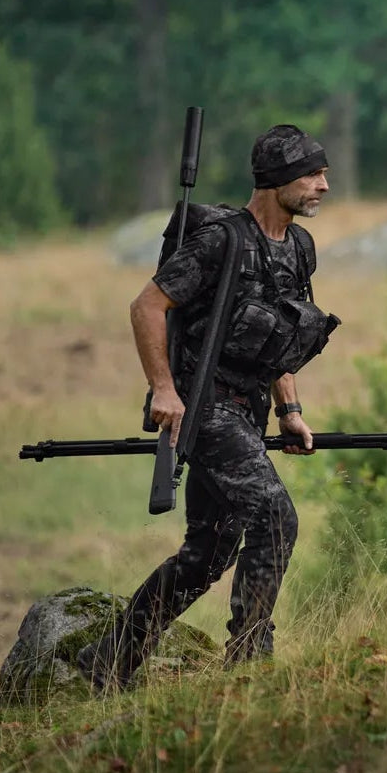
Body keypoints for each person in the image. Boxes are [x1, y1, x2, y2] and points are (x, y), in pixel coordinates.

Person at [77, 124, 335, 691]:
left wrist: (289, 410)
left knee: (207, 552)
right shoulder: (222, 241)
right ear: (275, 180)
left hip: (249, 413)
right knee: (274, 517)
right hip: (205, 409)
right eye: (313, 174)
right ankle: (247, 663)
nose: (323, 185)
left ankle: (110, 659)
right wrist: (165, 391)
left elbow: (281, 337)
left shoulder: (299, 247)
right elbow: (147, 306)